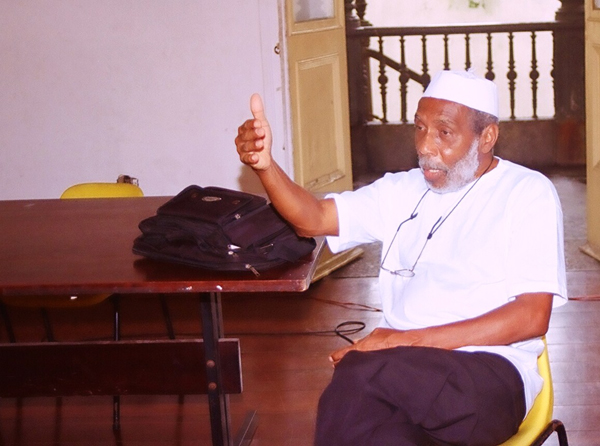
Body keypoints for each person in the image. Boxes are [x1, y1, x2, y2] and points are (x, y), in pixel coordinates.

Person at [235, 69, 567, 446]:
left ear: (486, 137)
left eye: (444, 132)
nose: (425, 146)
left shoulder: (526, 192)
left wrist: (402, 341)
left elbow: (531, 317)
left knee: (359, 376)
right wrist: (266, 167)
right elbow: (313, 218)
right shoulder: (401, 189)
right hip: (397, 378)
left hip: (487, 376)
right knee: (376, 426)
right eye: (420, 128)